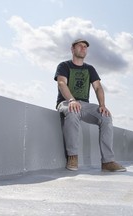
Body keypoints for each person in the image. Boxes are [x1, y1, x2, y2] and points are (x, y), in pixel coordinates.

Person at [54, 38, 126, 172]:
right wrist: (71, 100)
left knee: (106, 117)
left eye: (85, 47)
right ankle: (73, 156)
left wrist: (102, 105)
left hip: (84, 105)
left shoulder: (90, 69)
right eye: (80, 46)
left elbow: (98, 87)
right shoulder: (64, 65)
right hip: (65, 102)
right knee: (72, 110)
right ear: (72, 49)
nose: (83, 48)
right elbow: (62, 83)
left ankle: (107, 161)